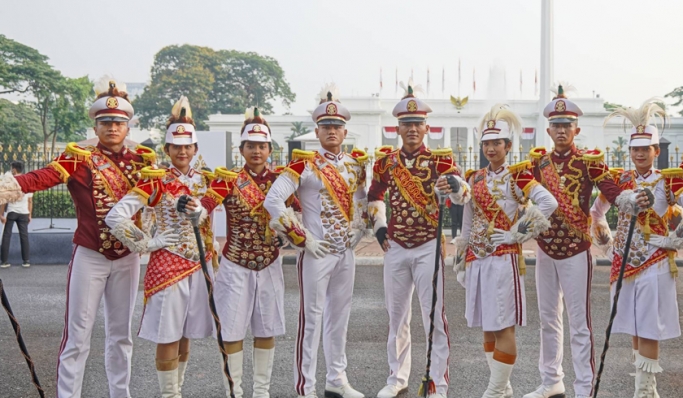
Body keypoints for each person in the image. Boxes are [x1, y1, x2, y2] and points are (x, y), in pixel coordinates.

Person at [0, 76, 156, 397]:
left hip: (128, 257)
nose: (113, 128)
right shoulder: (78, 158)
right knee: (77, 336)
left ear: (128, 127)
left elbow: (159, 197)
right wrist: (8, 189)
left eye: (118, 122)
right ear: (95, 127)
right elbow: (40, 177)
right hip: (90, 255)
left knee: (121, 336)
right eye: (106, 122)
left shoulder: (142, 160)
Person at [524, 85, 650, 398]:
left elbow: (612, 193)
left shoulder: (589, 162)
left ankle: (584, 388)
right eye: (556, 125)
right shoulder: (537, 164)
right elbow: (517, 194)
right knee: (547, 319)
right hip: (544, 249)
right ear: (548, 129)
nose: (562, 130)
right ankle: (551, 380)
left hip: (575, 252)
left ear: (576, 129)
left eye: (567, 125)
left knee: (579, 323)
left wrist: (630, 200)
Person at [367, 79, 470, 398]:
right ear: (397, 129)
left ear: (427, 128)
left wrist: (453, 186)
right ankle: (397, 377)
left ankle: (437, 381)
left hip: (428, 246)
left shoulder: (441, 161)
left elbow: (465, 194)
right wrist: (379, 226)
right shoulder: (386, 163)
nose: (412, 129)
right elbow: (374, 196)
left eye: (417, 124)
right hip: (396, 247)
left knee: (433, 316)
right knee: (396, 317)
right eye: (406, 124)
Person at [264, 84, 368, 398]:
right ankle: (304, 387)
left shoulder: (355, 166)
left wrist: (360, 228)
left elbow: (363, 201)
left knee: (340, 317)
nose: (332, 131)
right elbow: (273, 201)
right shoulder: (303, 165)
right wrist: (301, 237)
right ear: (317, 131)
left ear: (345, 130)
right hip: (316, 253)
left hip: (345, 252)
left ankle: (336, 379)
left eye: (336, 126)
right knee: (311, 320)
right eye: (326, 127)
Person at [106, 97, 212, 397]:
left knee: (187, 333)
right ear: (167, 150)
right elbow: (116, 215)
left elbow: (212, 215)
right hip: (167, 266)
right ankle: (169, 395)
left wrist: (201, 214)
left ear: (195, 149)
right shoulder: (156, 181)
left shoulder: (206, 180)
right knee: (168, 333)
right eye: (176, 147)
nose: (182, 151)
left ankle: (177, 390)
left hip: (198, 265)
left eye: (187, 146)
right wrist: (147, 242)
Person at [455, 104, 558, 398]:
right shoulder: (474, 178)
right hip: (478, 257)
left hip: (504, 259)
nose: (490, 148)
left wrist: (518, 232)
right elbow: (468, 217)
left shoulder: (519, 176)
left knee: (503, 326)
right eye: (486, 143)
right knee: (487, 325)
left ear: (508, 145)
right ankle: (503, 387)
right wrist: (462, 256)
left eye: (496, 143)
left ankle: (495, 388)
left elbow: (549, 203)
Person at [199, 107, 295, 398]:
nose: (256, 151)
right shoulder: (227, 180)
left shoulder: (282, 180)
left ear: (270, 149)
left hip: (269, 263)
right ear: (241, 149)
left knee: (266, 327)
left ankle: (262, 392)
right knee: (231, 329)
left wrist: (287, 239)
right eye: (250, 146)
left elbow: (299, 215)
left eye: (262, 146)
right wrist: (191, 210)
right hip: (235, 264)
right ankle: (235, 392)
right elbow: (203, 207)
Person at [590, 98, 681, 398]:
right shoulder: (620, 180)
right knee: (632, 322)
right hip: (624, 261)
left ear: (656, 151)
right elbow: (596, 211)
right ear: (630, 152)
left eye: (646, 149)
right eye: (635, 149)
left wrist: (675, 238)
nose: (640, 154)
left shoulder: (667, 182)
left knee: (649, 325)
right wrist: (605, 240)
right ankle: (643, 389)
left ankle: (644, 390)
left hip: (655, 260)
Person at [0, 161, 32, 268]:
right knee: (24, 236)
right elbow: (30, 201)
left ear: (14, 169)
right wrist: (30, 214)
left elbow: (4, 199)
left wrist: (1, 214)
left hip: (12, 211)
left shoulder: (10, 181)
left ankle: (4, 261)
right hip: (24, 212)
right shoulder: (28, 181)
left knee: (7, 235)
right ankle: (26, 261)